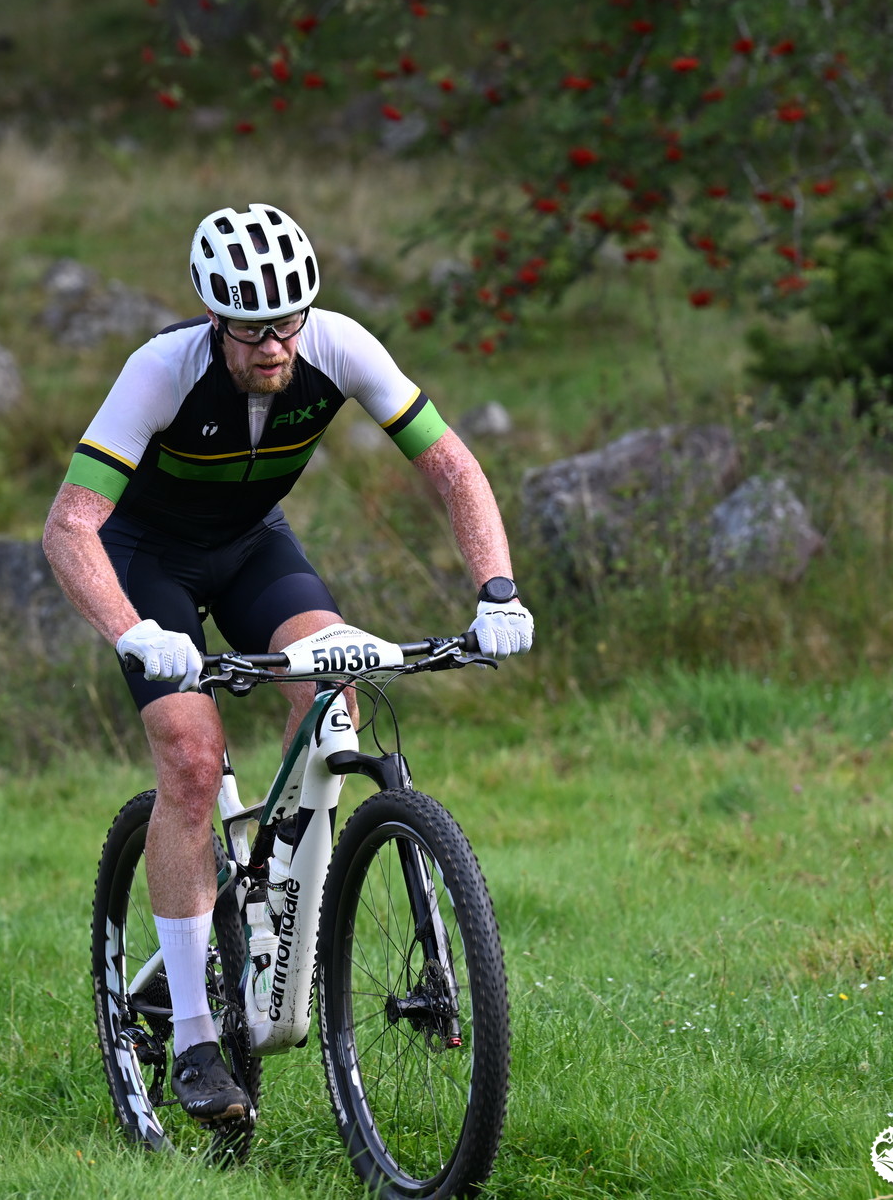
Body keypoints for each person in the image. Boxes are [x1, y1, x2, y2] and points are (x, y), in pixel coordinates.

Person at [42, 203, 533, 1124]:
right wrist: (131, 630)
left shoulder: (338, 345)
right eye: (252, 328)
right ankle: (194, 1036)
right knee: (191, 758)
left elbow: (452, 466)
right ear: (214, 317)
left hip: (252, 546)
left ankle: (272, 876)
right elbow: (70, 526)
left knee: (333, 686)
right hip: (147, 560)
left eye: (288, 323)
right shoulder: (161, 370)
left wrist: (497, 590)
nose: (274, 345)